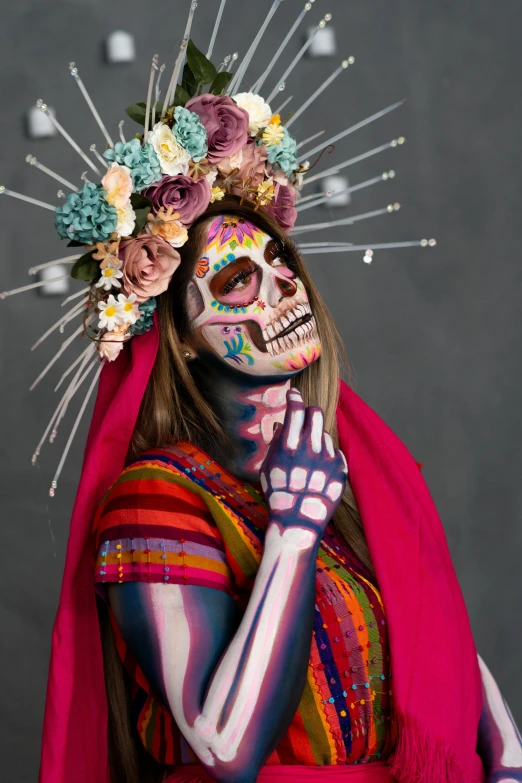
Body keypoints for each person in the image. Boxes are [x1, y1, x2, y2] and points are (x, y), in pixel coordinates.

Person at [0, 3, 517, 781]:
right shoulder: (155, 501)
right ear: (177, 331)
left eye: (284, 270)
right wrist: (293, 528)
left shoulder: (348, 484)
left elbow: (439, 649)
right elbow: (227, 748)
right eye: (240, 279)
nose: (283, 294)